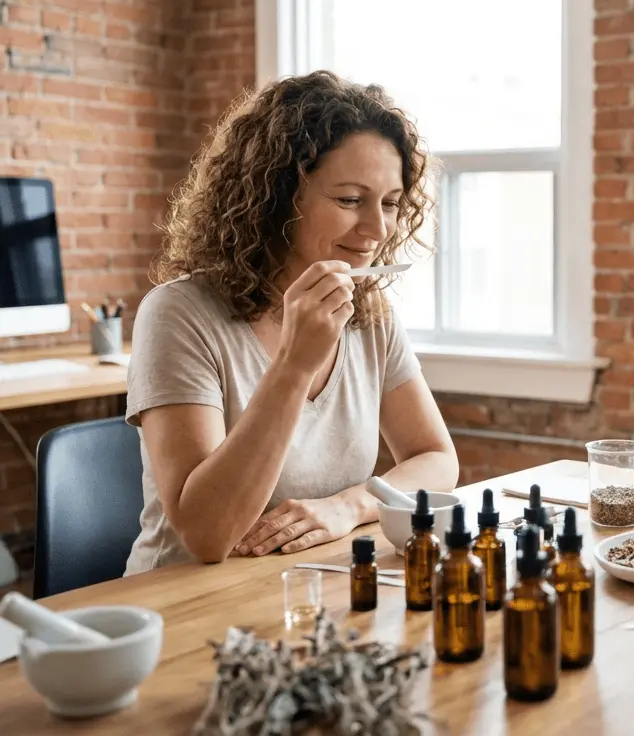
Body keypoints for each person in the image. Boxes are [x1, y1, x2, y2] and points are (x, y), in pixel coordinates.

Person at [124, 71, 459, 572]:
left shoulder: (368, 313)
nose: (377, 229)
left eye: (389, 204)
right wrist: (294, 366)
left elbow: (437, 459)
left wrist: (350, 506)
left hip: (304, 587)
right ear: (278, 196)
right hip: (185, 599)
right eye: (349, 200)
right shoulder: (178, 314)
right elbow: (206, 535)